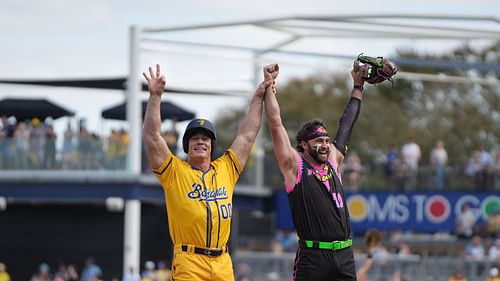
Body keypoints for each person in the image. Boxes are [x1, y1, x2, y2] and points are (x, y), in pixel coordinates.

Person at [142, 63, 278, 281]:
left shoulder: (226, 168)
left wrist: (259, 95)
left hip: (222, 261)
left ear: (212, 145)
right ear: (186, 146)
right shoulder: (174, 172)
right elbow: (151, 137)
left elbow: (247, 135)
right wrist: (155, 97)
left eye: (205, 138)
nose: (200, 142)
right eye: (194, 138)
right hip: (189, 260)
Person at [264, 62, 365, 280]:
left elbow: (347, 124)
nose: (326, 145)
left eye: (327, 140)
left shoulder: (333, 163)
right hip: (313, 256)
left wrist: (358, 86)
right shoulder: (295, 166)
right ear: (304, 145)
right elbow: (275, 123)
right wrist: (270, 86)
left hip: (345, 254)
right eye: (319, 140)